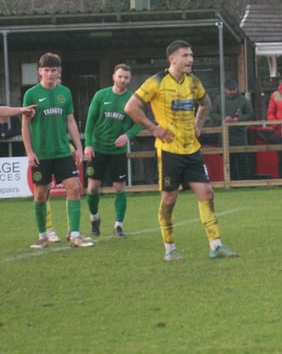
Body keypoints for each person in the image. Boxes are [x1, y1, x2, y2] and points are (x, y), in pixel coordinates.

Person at [125, 40, 239, 262]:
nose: (190, 60)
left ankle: (216, 246)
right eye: (186, 55)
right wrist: (153, 128)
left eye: (191, 55)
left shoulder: (193, 82)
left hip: (192, 150)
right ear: (172, 59)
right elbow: (130, 107)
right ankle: (170, 249)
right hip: (169, 151)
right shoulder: (156, 82)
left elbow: (206, 104)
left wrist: (199, 124)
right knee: (169, 198)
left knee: (207, 193)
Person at [22, 52, 92, 249]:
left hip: (62, 152)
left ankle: (75, 234)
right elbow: (25, 125)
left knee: (75, 187)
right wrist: (29, 151)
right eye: (46, 70)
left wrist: (78, 147)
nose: (50, 74)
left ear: (59, 71)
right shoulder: (31, 94)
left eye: (54, 70)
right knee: (41, 195)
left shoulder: (65, 93)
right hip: (41, 154)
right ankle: (42, 236)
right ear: (40, 72)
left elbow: (70, 121)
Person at [84, 63, 143, 238]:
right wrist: (88, 144)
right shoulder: (101, 96)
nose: (123, 80)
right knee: (93, 188)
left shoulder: (133, 99)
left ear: (129, 79)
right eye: (120, 77)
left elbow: (140, 123)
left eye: (126, 78)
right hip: (98, 148)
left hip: (118, 151)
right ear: (113, 77)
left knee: (119, 187)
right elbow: (90, 122)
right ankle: (94, 217)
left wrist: (128, 135)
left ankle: (118, 225)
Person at [210, 78, 254, 180]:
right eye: (230, 90)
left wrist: (238, 119)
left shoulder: (243, 99)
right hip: (225, 135)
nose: (232, 92)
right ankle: (231, 182)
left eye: (234, 89)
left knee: (242, 160)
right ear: (225, 89)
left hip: (240, 135)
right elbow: (212, 114)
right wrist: (223, 120)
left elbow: (250, 113)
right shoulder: (218, 99)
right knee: (229, 161)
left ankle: (244, 182)